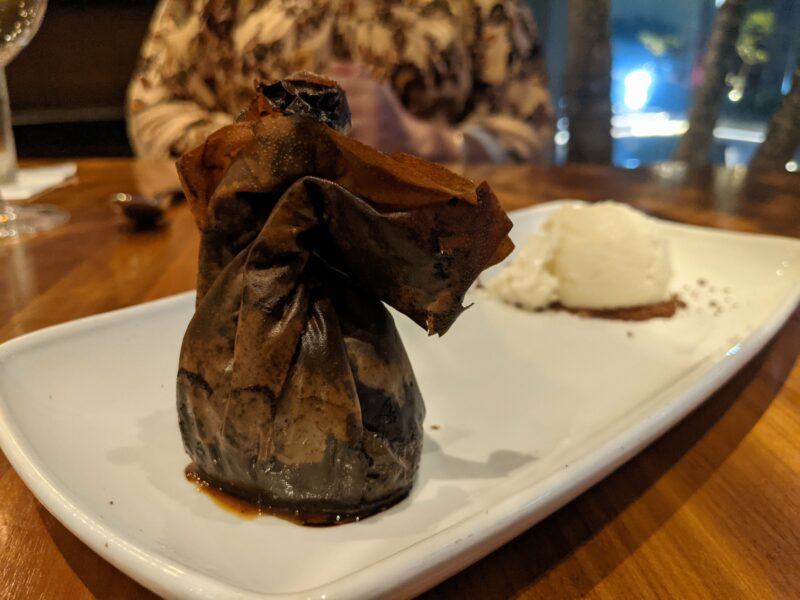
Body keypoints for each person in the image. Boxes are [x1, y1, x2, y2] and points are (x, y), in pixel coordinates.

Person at [127, 0, 555, 164]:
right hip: (241, 233)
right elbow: (155, 107)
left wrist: (425, 141)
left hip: (427, 236)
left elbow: (530, 133)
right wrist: (256, 144)